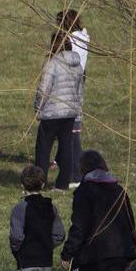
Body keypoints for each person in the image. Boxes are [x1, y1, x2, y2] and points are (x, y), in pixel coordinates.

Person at [62, 149, 136, 271]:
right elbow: (130, 222)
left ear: (83, 169)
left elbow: (79, 226)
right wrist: (130, 251)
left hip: (93, 254)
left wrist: (68, 253)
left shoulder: (85, 191)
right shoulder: (119, 191)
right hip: (119, 252)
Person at [9, 165, 67, 271]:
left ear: (22, 186)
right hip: (45, 261)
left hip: (27, 261)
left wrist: (17, 250)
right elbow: (59, 235)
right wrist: (47, 246)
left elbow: (16, 236)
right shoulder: (51, 208)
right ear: (43, 185)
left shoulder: (20, 208)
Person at [33, 27, 86, 189]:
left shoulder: (52, 64)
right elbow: (80, 90)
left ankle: (39, 182)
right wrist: (77, 109)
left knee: (43, 148)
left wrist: (38, 108)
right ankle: (63, 183)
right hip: (70, 113)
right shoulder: (77, 65)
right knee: (66, 148)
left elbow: (44, 89)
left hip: (51, 113)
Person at [59, 10, 90, 188]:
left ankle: (75, 175)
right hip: (79, 81)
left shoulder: (71, 40)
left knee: (72, 133)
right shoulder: (84, 37)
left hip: (70, 84)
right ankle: (66, 166)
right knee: (73, 130)